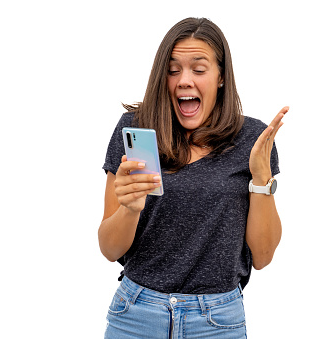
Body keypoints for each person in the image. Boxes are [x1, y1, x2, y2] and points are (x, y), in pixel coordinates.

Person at [99, 17, 288, 339]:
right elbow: (110, 249)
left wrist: (260, 179)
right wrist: (130, 208)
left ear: (221, 77)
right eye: (173, 70)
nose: (184, 80)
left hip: (217, 320)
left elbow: (263, 256)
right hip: (135, 314)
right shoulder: (137, 129)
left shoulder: (253, 139)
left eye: (198, 69)